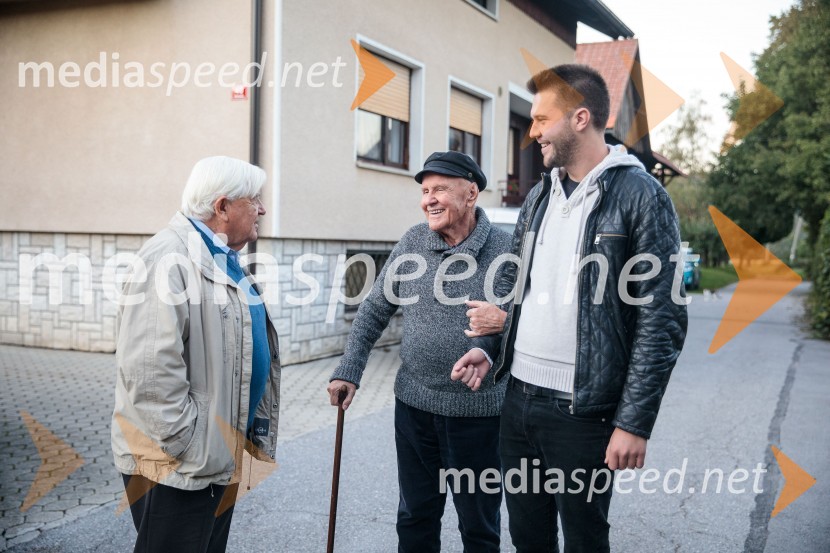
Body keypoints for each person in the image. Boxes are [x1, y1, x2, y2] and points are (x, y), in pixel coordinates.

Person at [453, 64, 688, 552]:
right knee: (527, 537)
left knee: (584, 540)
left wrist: (633, 422)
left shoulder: (641, 196)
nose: (532, 131)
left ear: (580, 118)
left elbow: (661, 319)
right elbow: (521, 291)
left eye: (542, 119)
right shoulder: (539, 196)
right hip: (517, 400)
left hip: (584, 413)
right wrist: (493, 346)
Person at [327, 151, 512, 553]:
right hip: (414, 409)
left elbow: (517, 320)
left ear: (471, 193)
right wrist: (349, 369)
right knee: (414, 517)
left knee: (479, 525)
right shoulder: (413, 242)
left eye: (440, 189)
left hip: (478, 416)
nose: (429, 199)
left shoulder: (504, 248)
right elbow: (375, 308)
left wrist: (489, 344)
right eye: (425, 190)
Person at [111, 156, 281, 553]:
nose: (263, 208)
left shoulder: (220, 256)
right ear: (222, 207)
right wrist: (188, 443)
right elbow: (149, 370)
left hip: (215, 452)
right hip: (180, 462)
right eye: (254, 199)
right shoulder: (167, 259)